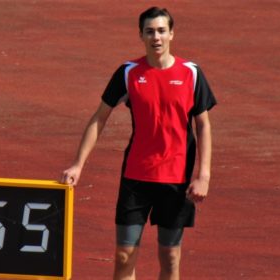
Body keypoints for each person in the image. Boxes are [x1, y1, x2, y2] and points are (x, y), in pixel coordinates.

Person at [61, 6, 216, 280]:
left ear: (171, 34)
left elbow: (202, 125)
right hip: (136, 176)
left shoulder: (191, 73)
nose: (156, 37)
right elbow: (99, 119)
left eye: (161, 31)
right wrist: (77, 165)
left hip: (176, 179)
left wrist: (203, 175)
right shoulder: (128, 73)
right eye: (149, 31)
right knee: (123, 256)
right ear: (141, 36)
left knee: (170, 258)